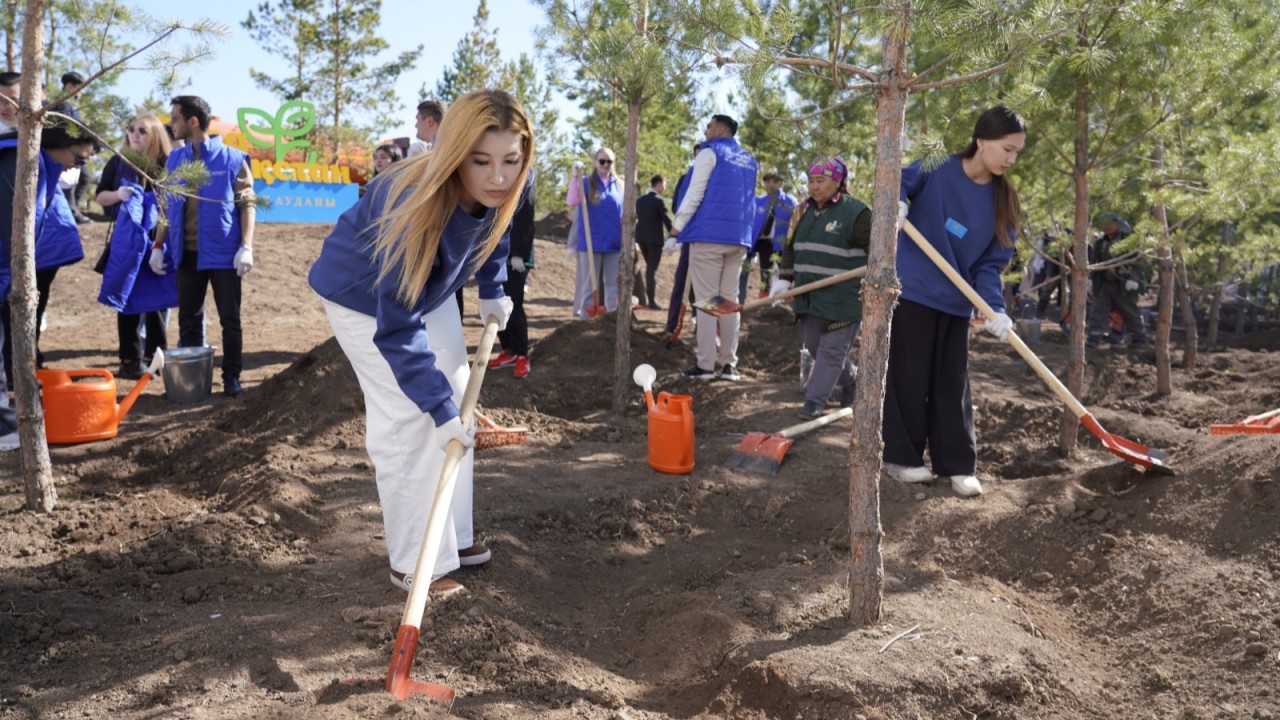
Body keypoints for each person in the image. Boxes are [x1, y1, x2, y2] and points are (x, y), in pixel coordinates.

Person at [308, 88, 529, 595]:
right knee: (412, 415)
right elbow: (396, 326)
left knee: (458, 407)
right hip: (364, 295)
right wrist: (434, 405)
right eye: (481, 162)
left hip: (429, 288)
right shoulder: (417, 203)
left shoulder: (511, 178)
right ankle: (416, 561)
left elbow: (498, 223)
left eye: (509, 161)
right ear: (454, 154)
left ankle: (454, 536)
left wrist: (493, 289)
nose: (498, 177)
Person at [883, 106, 1026, 498]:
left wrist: (994, 308)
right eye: (1007, 149)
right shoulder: (936, 168)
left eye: (1017, 153)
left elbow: (988, 266)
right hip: (912, 291)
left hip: (956, 300)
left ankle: (957, 465)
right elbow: (897, 181)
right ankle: (903, 458)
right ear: (981, 141)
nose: (1011, 159)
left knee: (952, 382)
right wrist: (897, 204)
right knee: (909, 377)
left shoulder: (1003, 203)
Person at [0, 119, 98, 450]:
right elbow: (9, 227)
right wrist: (16, 274)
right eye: (79, 157)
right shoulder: (18, 162)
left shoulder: (39, 163)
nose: (78, 166)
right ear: (57, 143)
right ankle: (2, 428)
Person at [159, 95, 256, 397]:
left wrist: (246, 246)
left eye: (174, 118)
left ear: (192, 121)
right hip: (185, 254)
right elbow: (166, 205)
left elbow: (247, 204)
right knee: (189, 318)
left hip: (224, 254)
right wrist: (157, 246)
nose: (170, 124)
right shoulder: (175, 159)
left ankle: (232, 377)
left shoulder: (232, 158)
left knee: (230, 319)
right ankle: (191, 383)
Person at [770, 157, 870, 419]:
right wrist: (785, 279)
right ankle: (852, 381)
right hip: (808, 298)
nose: (813, 187)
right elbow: (790, 247)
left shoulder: (857, 213)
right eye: (811, 181)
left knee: (831, 352)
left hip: (843, 300)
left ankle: (814, 402)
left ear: (837, 182)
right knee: (816, 348)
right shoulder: (802, 211)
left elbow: (878, 253)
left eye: (820, 181)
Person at [670, 114, 758, 381]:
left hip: (709, 237)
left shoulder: (709, 154)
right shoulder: (749, 160)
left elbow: (694, 193)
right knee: (730, 301)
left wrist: (676, 229)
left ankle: (706, 365)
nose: (705, 131)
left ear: (720, 129)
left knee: (708, 301)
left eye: (708, 126)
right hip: (738, 238)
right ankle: (729, 364)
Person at [95, 114, 173, 380]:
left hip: (157, 238)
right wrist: (118, 195)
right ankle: (129, 360)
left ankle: (157, 356)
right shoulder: (118, 162)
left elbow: (169, 208)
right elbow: (101, 196)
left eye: (142, 130)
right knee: (126, 298)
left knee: (158, 299)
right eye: (131, 130)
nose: (135, 135)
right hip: (127, 239)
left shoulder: (166, 164)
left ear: (155, 135)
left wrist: (159, 245)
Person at [567, 148, 623, 317]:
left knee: (613, 285)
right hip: (591, 242)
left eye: (609, 161)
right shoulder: (586, 183)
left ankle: (612, 320)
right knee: (589, 285)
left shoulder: (619, 185)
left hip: (614, 242)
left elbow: (625, 212)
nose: (606, 165)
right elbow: (572, 201)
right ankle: (586, 321)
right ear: (595, 162)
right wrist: (575, 178)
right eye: (602, 161)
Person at [490, 179, 535, 378]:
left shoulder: (525, 178)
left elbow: (526, 216)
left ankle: (521, 355)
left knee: (513, 303)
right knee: (495, 303)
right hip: (494, 251)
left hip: (514, 255)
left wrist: (519, 253)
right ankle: (508, 349)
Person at [1086, 212, 1148, 349]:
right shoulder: (1100, 243)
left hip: (1123, 284)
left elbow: (1138, 262)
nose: (1106, 227)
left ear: (1116, 223)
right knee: (1097, 311)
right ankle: (1093, 338)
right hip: (1103, 283)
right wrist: (1091, 279)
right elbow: (1095, 262)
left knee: (1130, 312)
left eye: (1109, 223)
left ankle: (1139, 339)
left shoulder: (1129, 240)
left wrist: (1133, 279)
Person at [742, 172, 797, 302]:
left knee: (786, 270)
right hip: (764, 243)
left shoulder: (790, 201)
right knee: (765, 270)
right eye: (765, 181)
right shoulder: (759, 201)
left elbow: (795, 222)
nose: (767, 184)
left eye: (770, 181)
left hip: (782, 242)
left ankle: (789, 296)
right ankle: (764, 296)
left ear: (779, 184)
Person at [58, 72, 91, 224]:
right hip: (67, 150)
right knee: (70, 182)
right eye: (81, 88)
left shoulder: (72, 105)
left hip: (76, 150)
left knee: (83, 177)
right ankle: (71, 211)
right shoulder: (63, 105)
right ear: (70, 85)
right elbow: (66, 130)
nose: (82, 92)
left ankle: (71, 209)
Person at [635, 174, 672, 310]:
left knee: (650, 269)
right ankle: (651, 301)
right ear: (659, 184)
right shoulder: (659, 200)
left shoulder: (640, 200)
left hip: (642, 239)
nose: (665, 187)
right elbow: (667, 220)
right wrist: (675, 234)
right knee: (652, 270)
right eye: (664, 184)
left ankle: (647, 298)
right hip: (655, 240)